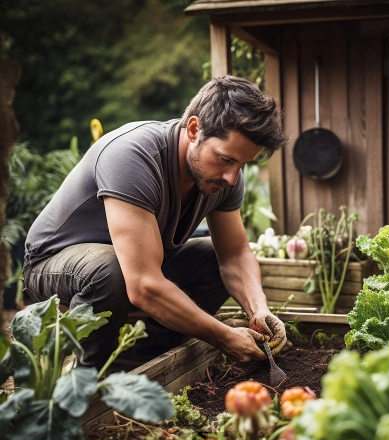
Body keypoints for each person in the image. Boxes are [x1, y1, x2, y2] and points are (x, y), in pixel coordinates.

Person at [23, 75, 289, 370]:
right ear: (193, 129)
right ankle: (88, 380)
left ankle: (143, 363)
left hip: (135, 265)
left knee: (212, 258)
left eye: (242, 165)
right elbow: (143, 285)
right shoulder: (133, 156)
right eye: (226, 159)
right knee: (108, 271)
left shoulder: (226, 177)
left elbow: (235, 255)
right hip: (54, 266)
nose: (232, 177)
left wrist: (259, 309)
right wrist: (225, 337)